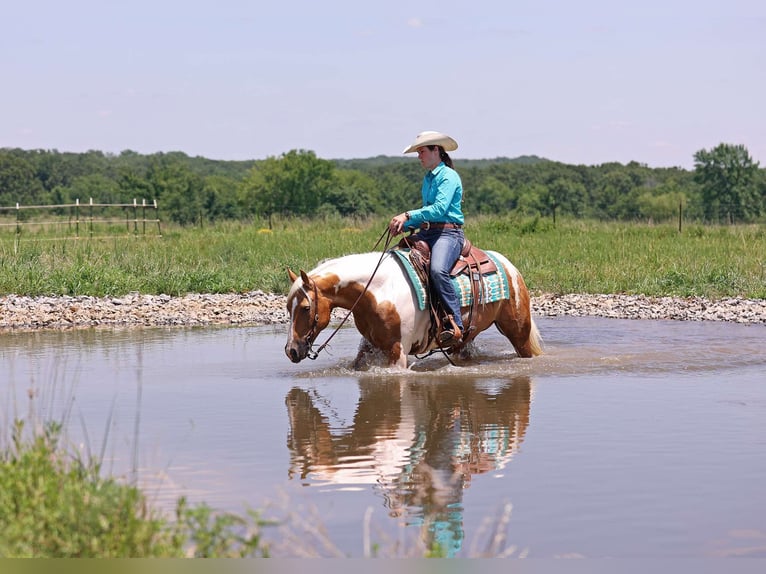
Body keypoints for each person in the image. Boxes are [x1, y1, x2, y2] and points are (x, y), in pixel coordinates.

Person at [389, 131, 465, 345]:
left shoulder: (448, 176)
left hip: (448, 233)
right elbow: (427, 211)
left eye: (422, 151)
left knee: (437, 270)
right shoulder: (428, 178)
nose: (419, 156)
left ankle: (456, 324)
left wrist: (408, 215)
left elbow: (439, 209)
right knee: (394, 260)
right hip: (429, 232)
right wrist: (406, 225)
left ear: (436, 151)